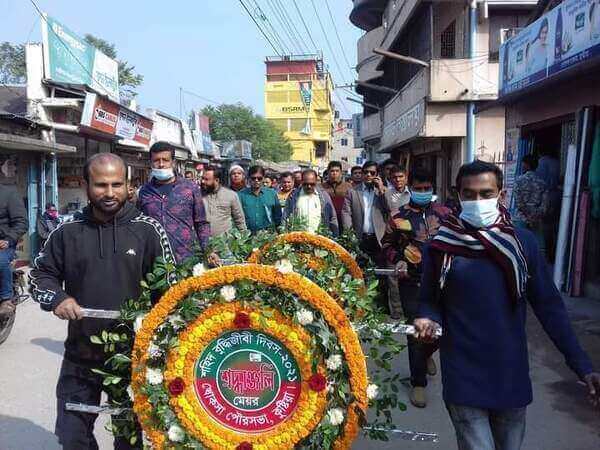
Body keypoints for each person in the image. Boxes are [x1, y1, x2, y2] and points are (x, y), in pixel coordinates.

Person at [414, 160, 600, 450]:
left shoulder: (521, 245)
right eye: (470, 194)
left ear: (501, 194)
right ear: (457, 194)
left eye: (486, 193)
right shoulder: (440, 246)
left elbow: (550, 308)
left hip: (510, 375)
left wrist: (583, 366)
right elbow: (428, 299)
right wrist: (427, 319)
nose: (478, 201)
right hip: (463, 375)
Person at [30, 153, 175, 450]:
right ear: (86, 185)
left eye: (116, 184)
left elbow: (171, 290)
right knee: (72, 437)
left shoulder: (148, 230)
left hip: (132, 358)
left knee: (129, 438)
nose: (109, 193)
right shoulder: (66, 232)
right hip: (79, 357)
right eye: (100, 185)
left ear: (128, 185)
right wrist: (57, 297)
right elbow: (39, 276)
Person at [382, 167, 450, 407]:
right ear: (410, 188)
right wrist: (399, 257)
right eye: (418, 189)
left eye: (426, 189)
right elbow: (387, 243)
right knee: (415, 331)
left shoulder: (445, 214)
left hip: (442, 281)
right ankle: (418, 383)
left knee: (443, 328)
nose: (423, 192)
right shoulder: (398, 215)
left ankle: (429, 352)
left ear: (432, 189)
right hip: (410, 281)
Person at [137, 141, 210, 263]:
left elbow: (201, 223)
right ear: (150, 163)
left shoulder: (190, 188)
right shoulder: (144, 191)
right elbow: (139, 223)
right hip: (154, 261)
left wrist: (208, 250)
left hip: (185, 259)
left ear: (173, 162)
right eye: (156, 160)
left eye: (165, 160)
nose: (161, 164)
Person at [342, 161, 389, 307]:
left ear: (377, 175)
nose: (368, 175)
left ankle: (380, 307)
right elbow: (346, 213)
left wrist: (381, 190)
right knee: (358, 273)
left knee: (380, 274)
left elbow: (389, 211)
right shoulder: (353, 191)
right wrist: (350, 235)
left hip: (378, 239)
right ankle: (360, 306)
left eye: (372, 173)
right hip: (360, 239)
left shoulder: (384, 192)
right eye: (366, 172)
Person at [284, 169, 339, 235]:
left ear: (316, 182)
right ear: (302, 181)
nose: (309, 186)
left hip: (319, 239)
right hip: (298, 238)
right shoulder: (293, 196)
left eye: (312, 184)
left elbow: (332, 217)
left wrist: (335, 235)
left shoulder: (324, 196)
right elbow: (285, 217)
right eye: (305, 184)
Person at [0, 184, 27, 317]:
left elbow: (22, 222)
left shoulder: (9, 193)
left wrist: (8, 239)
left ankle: (6, 299)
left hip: (3, 244)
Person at [513, 154, 547, 252]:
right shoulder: (542, 183)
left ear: (526, 165)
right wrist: (534, 217)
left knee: (519, 249)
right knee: (539, 250)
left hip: (521, 219)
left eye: (523, 164)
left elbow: (519, 204)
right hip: (537, 221)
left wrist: (528, 217)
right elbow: (544, 207)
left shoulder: (519, 181)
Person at [201, 166, 247, 237]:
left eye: (206, 179)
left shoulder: (231, 195)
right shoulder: (197, 196)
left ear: (216, 180)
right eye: (202, 178)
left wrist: (244, 239)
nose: (202, 181)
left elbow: (239, 220)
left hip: (224, 244)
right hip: (202, 243)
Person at [238, 165, 282, 234]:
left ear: (263, 178)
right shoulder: (240, 195)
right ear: (249, 179)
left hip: (268, 236)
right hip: (247, 236)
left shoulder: (271, 194)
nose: (256, 180)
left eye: (259, 178)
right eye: (253, 178)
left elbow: (278, 216)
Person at [535, 149, 561, 261]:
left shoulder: (541, 162)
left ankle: (548, 254)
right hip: (559, 195)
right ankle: (556, 252)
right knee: (556, 225)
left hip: (547, 195)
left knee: (546, 226)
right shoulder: (558, 162)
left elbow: (539, 181)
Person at [320, 161, 353, 225]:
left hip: (344, 220)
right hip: (327, 219)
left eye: (337, 171)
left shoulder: (348, 186)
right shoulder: (321, 187)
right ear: (328, 172)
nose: (334, 173)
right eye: (332, 171)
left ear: (341, 172)